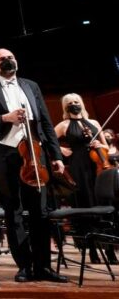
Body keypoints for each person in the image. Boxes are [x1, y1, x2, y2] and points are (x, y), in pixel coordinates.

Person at [0, 48, 67, 283]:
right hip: (3, 154)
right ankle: (25, 265)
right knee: (13, 211)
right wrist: (6, 118)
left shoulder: (31, 85)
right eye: (2, 58)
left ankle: (43, 266)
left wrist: (56, 156)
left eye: (11, 57)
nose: (8, 60)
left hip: (35, 154)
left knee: (40, 211)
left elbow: (45, 120)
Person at [53, 93, 117, 264]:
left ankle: (110, 250)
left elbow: (107, 146)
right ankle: (92, 252)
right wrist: (62, 150)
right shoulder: (64, 125)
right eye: (70, 103)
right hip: (78, 168)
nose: (74, 104)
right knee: (85, 204)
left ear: (81, 104)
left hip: (97, 167)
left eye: (76, 102)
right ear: (65, 107)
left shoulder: (95, 123)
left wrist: (99, 144)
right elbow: (47, 141)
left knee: (104, 205)